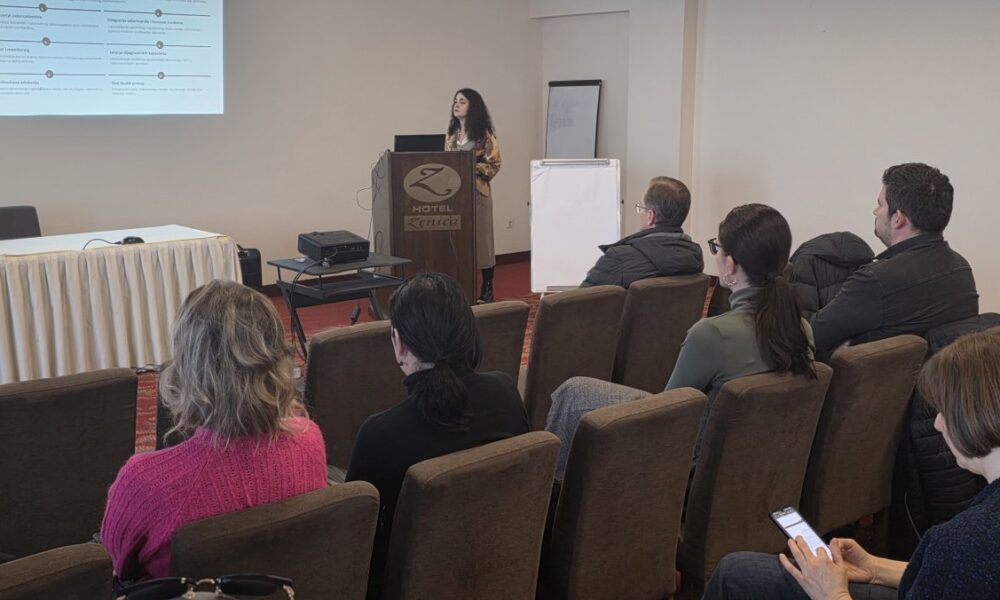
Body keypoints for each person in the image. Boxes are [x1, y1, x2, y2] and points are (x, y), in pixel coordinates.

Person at [703, 327, 1000, 599]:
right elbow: (951, 576)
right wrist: (876, 568)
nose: (937, 424)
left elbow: (958, 567)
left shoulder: (964, 542)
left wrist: (832, 592)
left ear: (975, 416)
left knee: (734, 576)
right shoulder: (965, 544)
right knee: (737, 571)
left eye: (944, 411)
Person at [547, 204, 815, 475]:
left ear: (731, 264)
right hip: (755, 459)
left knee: (573, 392)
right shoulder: (801, 328)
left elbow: (665, 416)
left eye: (717, 248)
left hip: (692, 461)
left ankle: (559, 493)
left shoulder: (711, 335)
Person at [101, 280, 327, 581]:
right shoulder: (309, 439)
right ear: (276, 362)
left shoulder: (144, 482)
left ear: (186, 368)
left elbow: (111, 570)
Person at [346, 272, 529, 596]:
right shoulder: (506, 393)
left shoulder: (380, 435)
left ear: (399, 343)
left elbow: (355, 544)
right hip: (501, 569)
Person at [810, 163, 978, 356]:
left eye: (880, 204)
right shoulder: (962, 269)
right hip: (940, 375)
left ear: (898, 218)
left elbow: (811, 336)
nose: (875, 211)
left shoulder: (874, 280)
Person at [580, 176, 704, 288]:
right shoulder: (694, 255)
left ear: (650, 216)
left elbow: (578, 303)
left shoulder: (618, 258)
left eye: (641, 207)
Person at [445, 88, 502, 303]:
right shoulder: (451, 134)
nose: (457, 105)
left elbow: (495, 164)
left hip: (478, 193)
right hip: (455, 196)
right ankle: (459, 286)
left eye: (462, 101)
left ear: (473, 106)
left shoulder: (484, 134)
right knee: (458, 242)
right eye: (455, 101)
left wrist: (470, 166)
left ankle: (487, 288)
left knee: (483, 242)